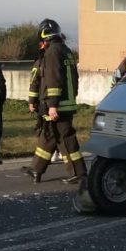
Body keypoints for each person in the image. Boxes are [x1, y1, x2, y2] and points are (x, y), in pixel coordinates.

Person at [25, 18, 86, 184]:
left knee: (65, 138)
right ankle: (36, 170)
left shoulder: (52, 52)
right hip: (66, 102)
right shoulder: (66, 50)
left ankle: (79, 173)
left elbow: (54, 79)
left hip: (57, 105)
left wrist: (52, 105)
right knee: (49, 136)